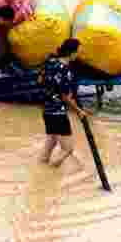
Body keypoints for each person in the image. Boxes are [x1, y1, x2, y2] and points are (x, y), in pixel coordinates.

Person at [38, 39, 86, 167]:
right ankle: (50, 170)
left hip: (46, 109)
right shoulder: (65, 70)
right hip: (58, 112)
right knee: (68, 149)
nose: (78, 55)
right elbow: (65, 97)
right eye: (78, 52)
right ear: (71, 53)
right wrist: (79, 111)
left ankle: (41, 168)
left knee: (52, 141)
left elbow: (40, 79)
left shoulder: (50, 62)